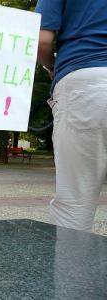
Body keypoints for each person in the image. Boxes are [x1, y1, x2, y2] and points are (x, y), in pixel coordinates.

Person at [36, 0, 107, 231]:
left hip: (84, 81)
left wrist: (52, 65)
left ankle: (70, 268)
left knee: (74, 204)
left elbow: (41, 42)